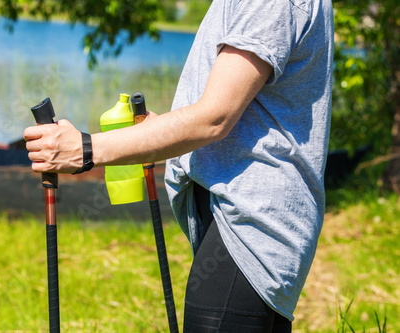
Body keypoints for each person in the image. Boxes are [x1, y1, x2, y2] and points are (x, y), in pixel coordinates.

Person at [23, 0, 334, 331]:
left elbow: (215, 117)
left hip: (253, 219)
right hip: (244, 213)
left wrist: (85, 149)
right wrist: (157, 133)